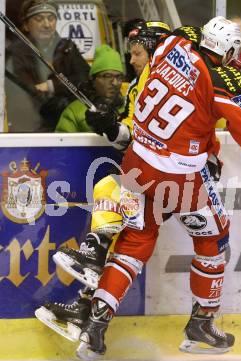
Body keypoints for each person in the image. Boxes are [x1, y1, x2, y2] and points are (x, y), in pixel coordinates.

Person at [53, 16, 241, 361]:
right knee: (215, 235)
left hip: (138, 161)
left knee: (136, 241)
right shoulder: (223, 77)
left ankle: (96, 325)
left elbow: (168, 55)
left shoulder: (175, 43)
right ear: (229, 49)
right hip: (177, 178)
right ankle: (202, 321)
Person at [35, 21, 172, 341]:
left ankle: (93, 264)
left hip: (166, 178)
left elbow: (166, 135)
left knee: (109, 191)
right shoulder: (140, 84)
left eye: (137, 53)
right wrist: (111, 127)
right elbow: (132, 134)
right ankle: (86, 307)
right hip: (147, 172)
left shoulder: (166, 82)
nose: (132, 61)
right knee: (119, 238)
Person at [5, 0, 90, 132]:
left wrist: (52, 85)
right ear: (26, 25)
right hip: (28, 128)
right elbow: (21, 90)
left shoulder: (67, 48)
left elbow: (84, 79)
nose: (46, 25)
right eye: (39, 19)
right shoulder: (16, 53)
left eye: (51, 18)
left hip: (66, 125)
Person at [55, 44, 125, 134]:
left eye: (119, 77)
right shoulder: (74, 112)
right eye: (107, 76)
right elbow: (63, 145)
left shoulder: (130, 109)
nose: (115, 83)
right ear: (93, 79)